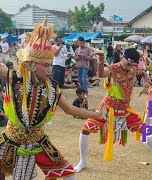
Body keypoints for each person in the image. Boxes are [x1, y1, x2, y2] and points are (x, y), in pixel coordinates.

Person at [0, 16, 104, 180]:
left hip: (39, 142)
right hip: (11, 141)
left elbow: (69, 109)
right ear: (32, 65)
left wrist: (95, 114)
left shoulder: (52, 88)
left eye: (51, 64)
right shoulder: (15, 79)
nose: (51, 69)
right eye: (46, 65)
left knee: (69, 175)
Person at [74, 48, 152, 173]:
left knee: (145, 130)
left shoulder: (132, 69)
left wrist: (145, 82)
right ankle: (82, 161)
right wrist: (101, 60)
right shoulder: (112, 69)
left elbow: (143, 72)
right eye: (128, 64)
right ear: (122, 57)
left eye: (132, 65)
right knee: (85, 130)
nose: (130, 67)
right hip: (107, 108)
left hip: (125, 109)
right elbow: (100, 74)